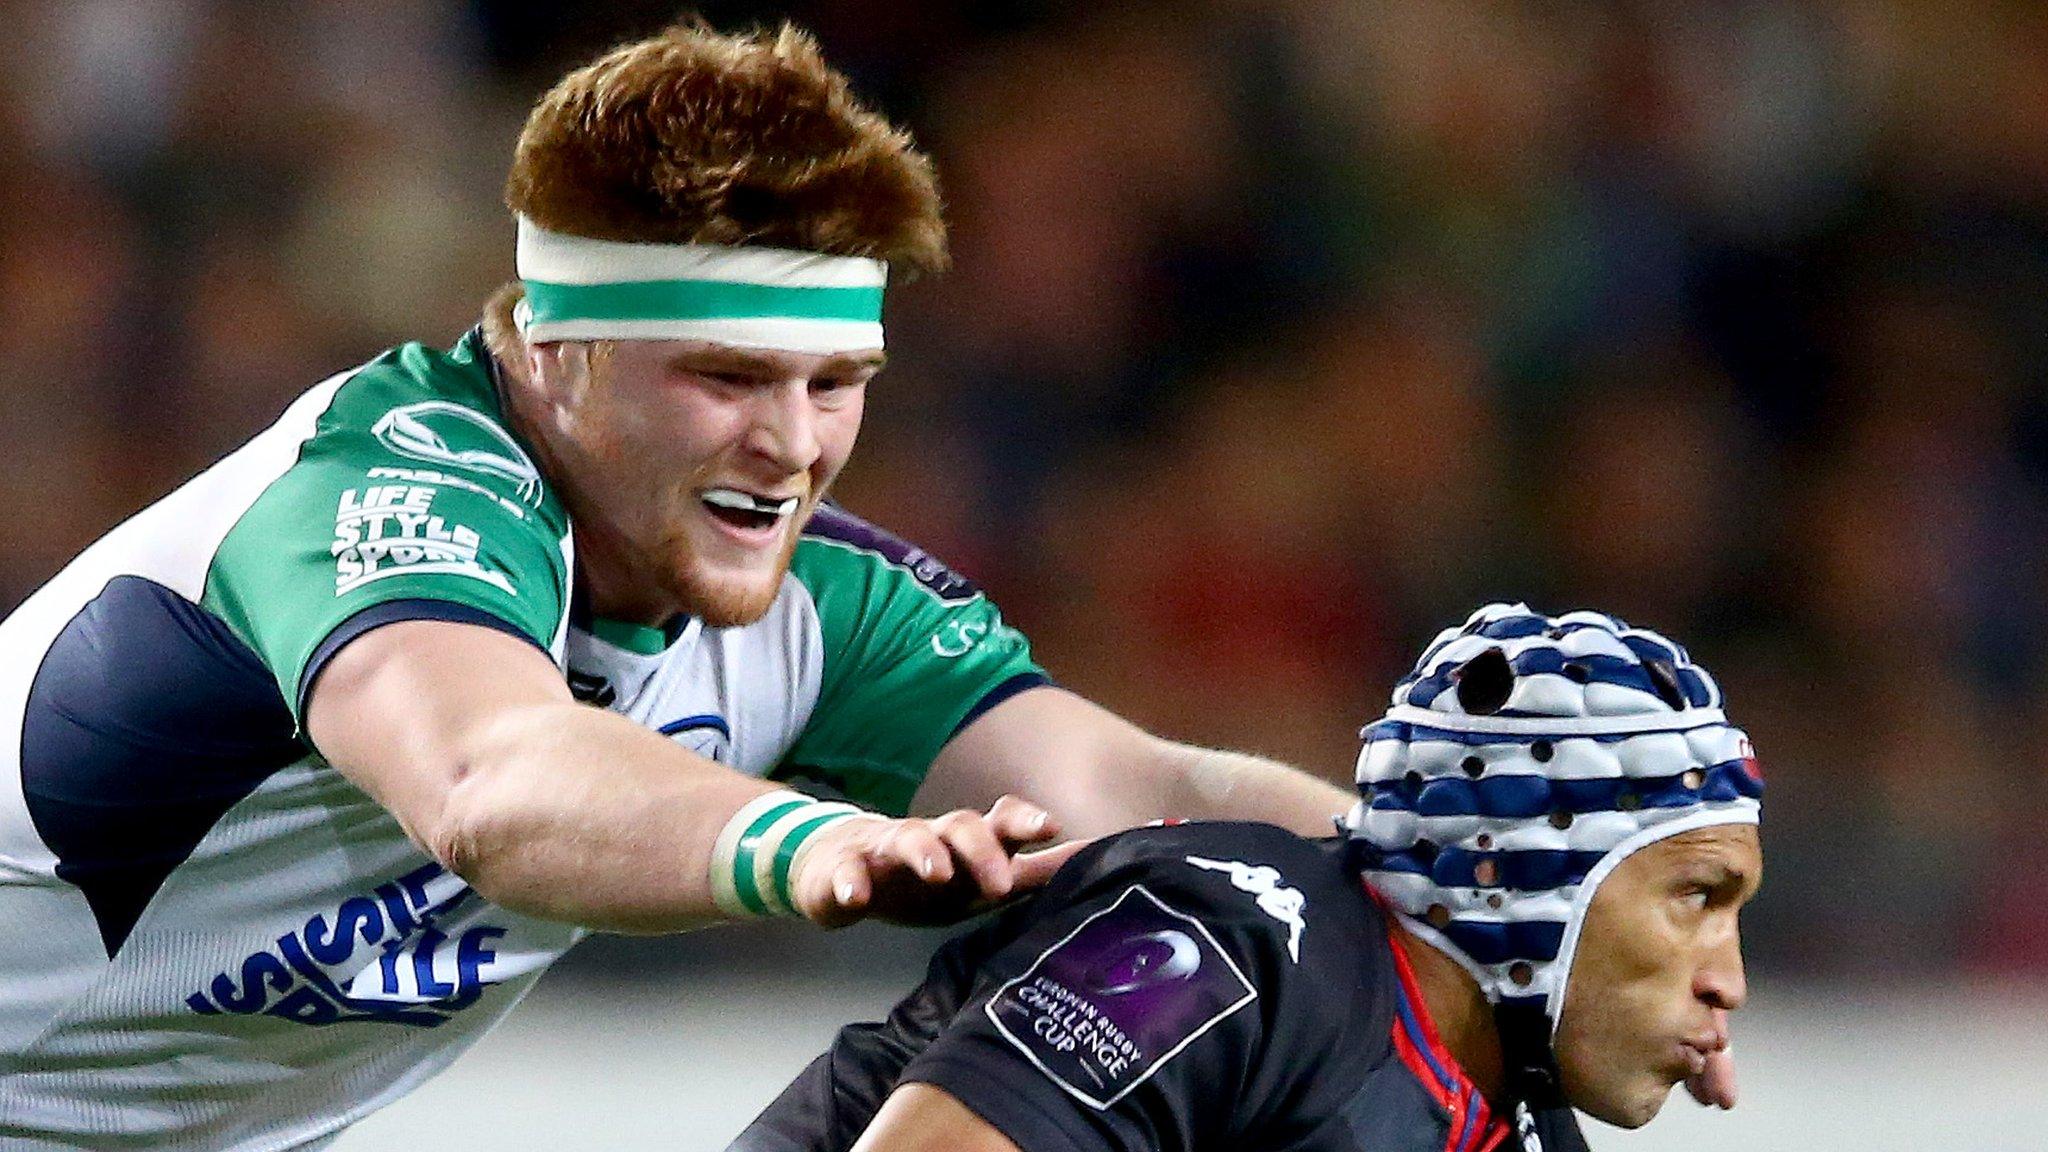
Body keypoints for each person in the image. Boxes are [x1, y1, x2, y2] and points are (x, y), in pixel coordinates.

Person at [0, 22, 1351, 1151]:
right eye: (725, 378)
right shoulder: (382, 494)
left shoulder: (814, 606)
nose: (790, 447)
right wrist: (806, 841)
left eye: (833, 386)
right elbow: (492, 779)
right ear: (549, 348)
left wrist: (1448, 851)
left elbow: (1149, 796)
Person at [731, 602, 1765, 1152]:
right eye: (1694, 898)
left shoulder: (1512, 1120)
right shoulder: (1223, 945)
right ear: (1521, 868)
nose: (1728, 980)